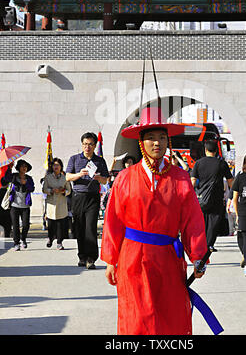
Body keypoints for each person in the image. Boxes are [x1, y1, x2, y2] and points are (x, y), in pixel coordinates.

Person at [101, 106, 209, 335]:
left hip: (168, 259)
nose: (157, 143)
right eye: (151, 138)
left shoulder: (180, 178)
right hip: (132, 260)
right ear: (141, 142)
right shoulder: (125, 178)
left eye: (162, 137)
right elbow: (114, 220)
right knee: (137, 317)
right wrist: (111, 259)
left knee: (169, 316)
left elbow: (192, 220)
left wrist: (199, 256)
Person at [66, 132, 109, 269]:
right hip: (78, 196)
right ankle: (82, 257)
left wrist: (98, 178)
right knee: (79, 227)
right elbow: (67, 177)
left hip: (92, 197)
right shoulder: (74, 159)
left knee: (90, 227)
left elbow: (106, 180)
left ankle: (91, 258)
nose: (87, 147)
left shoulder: (99, 161)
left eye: (90, 144)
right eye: (85, 144)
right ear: (82, 145)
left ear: (95, 145)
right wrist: (79, 174)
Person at [191, 139, 233, 251]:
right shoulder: (221, 163)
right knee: (214, 220)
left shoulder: (198, 163)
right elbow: (230, 182)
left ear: (205, 150)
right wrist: (232, 196)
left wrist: (190, 196)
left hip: (201, 198)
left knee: (203, 220)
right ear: (217, 150)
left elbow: (193, 181)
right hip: (216, 197)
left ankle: (202, 243)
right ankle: (209, 243)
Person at [1, 159, 35, 251]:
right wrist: (9, 168)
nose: (24, 168)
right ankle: (16, 243)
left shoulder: (29, 178)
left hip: (25, 206)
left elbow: (32, 188)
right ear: (18, 168)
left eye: (25, 166)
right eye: (22, 166)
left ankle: (23, 239)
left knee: (26, 225)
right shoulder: (14, 177)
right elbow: (5, 180)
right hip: (14, 205)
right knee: (15, 225)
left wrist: (26, 184)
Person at [42, 158, 72, 250]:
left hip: (61, 203)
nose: (56, 167)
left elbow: (69, 190)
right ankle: (50, 238)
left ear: (61, 167)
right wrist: (51, 190)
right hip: (51, 203)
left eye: (58, 165)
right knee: (51, 224)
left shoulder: (65, 178)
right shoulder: (48, 177)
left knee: (60, 224)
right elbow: (44, 189)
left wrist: (62, 191)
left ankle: (59, 242)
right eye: (54, 165)